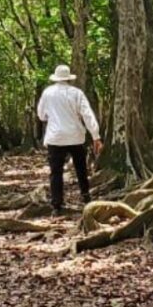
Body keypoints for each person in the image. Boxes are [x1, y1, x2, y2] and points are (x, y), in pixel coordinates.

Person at [36, 64, 102, 215]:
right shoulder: (76, 93)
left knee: (56, 172)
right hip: (75, 137)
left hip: (55, 138)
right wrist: (96, 136)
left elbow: (41, 115)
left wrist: (51, 117)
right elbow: (87, 114)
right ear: (68, 78)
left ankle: (56, 205)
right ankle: (85, 196)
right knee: (81, 168)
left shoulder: (48, 93)